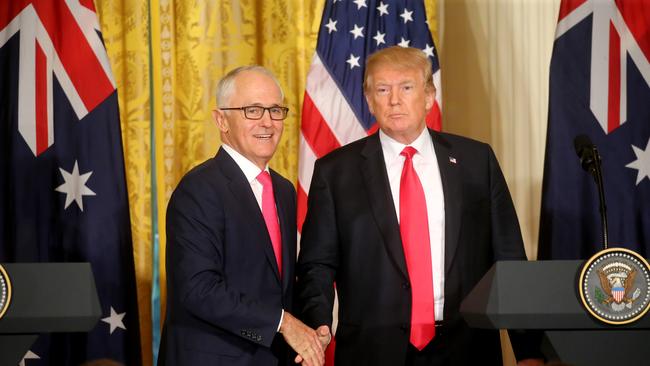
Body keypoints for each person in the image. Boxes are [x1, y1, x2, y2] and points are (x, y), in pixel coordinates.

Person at [296, 46, 542, 365]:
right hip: (372, 351)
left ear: (428, 96)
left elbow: (509, 260)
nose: (394, 100)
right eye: (382, 89)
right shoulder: (335, 172)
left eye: (406, 87)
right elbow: (317, 263)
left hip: (466, 348)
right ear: (370, 100)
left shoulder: (476, 161)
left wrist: (528, 352)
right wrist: (317, 325)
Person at [160, 66, 325, 366]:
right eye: (253, 110)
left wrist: (314, 326)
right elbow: (198, 289)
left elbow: (275, 287)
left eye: (276, 110)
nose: (268, 122)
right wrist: (284, 323)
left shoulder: (284, 191)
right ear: (221, 120)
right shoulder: (199, 189)